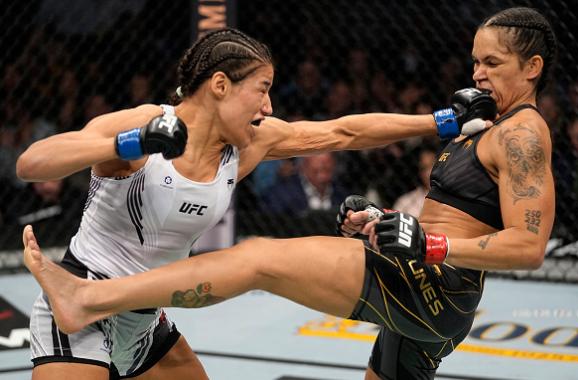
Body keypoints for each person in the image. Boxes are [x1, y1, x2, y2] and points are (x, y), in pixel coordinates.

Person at [16, 27, 495, 380]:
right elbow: (33, 162)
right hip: (77, 310)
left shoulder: (247, 146)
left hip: (144, 324)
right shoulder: (146, 124)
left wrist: (443, 122)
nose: (268, 107)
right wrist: (130, 142)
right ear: (220, 86)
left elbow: (343, 131)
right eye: (261, 90)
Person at [260, 152, 348, 215]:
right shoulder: (279, 195)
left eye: (329, 160)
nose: (324, 163)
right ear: (303, 165)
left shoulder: (343, 196)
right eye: (317, 156)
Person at [392, 145, 436, 218]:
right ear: (419, 173)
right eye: (424, 168)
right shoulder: (405, 202)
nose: (428, 173)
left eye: (433, 166)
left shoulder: (453, 197)